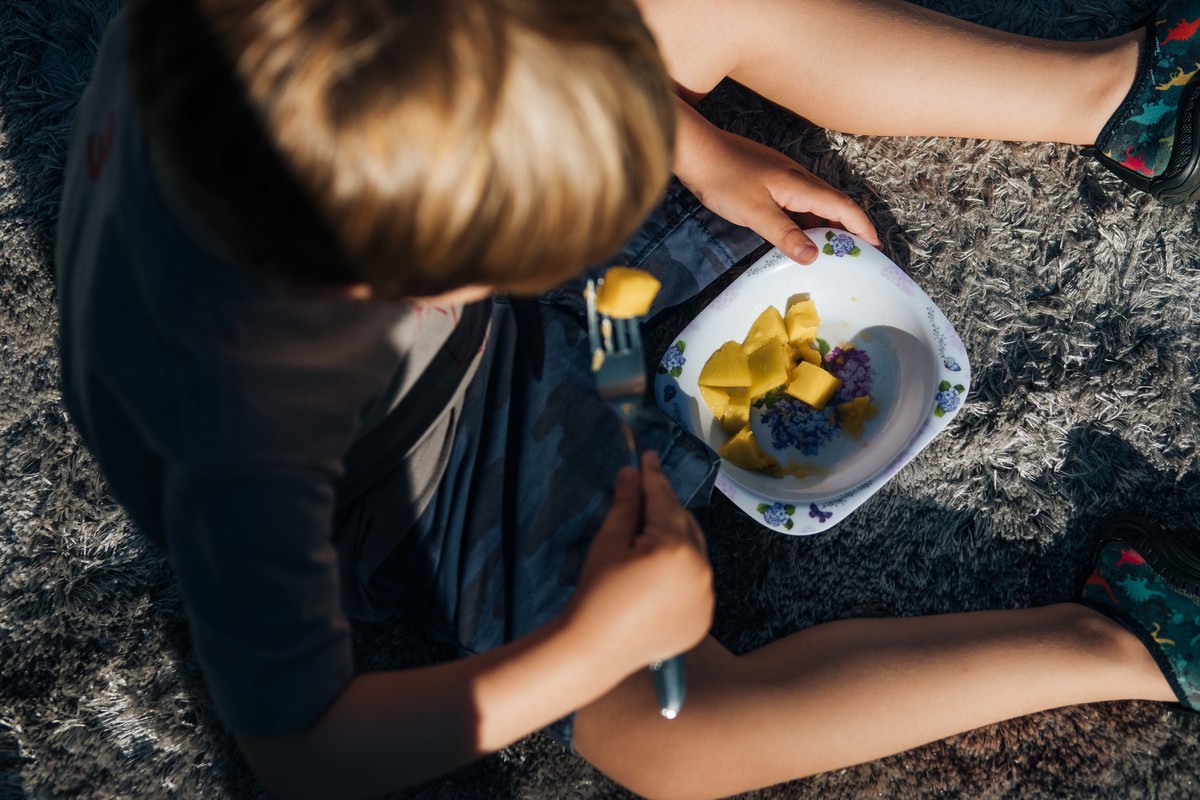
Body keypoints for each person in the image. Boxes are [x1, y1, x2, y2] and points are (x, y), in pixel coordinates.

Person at [53, 0, 1200, 799]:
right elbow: (301, 749)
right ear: (405, 285)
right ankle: (1122, 642)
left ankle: (1120, 96)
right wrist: (595, 641)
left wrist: (693, 146)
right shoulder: (242, 440)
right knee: (671, 736)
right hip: (422, 452)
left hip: (400, 233)